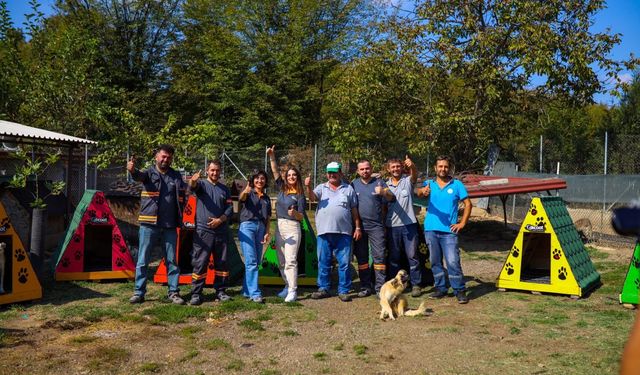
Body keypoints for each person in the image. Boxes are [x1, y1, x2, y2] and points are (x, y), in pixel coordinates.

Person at [127, 144, 187, 305]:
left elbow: (186, 191)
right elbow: (138, 176)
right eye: (163, 156)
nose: (165, 160)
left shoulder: (176, 176)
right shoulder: (148, 173)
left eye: (169, 157)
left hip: (170, 225)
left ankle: (173, 292)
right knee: (143, 259)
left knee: (172, 261)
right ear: (156, 157)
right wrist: (132, 170)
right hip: (149, 223)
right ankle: (139, 292)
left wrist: (193, 185)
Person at [305, 162, 362, 302]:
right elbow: (312, 198)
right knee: (323, 262)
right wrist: (307, 186)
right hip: (324, 232)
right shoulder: (321, 188)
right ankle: (323, 288)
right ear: (326, 174)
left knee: (344, 263)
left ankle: (343, 290)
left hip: (344, 233)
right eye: (329, 172)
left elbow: (354, 210)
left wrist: (358, 227)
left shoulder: (348, 189)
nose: (332, 175)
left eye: (335, 172)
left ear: (340, 173)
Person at [419, 155, 472, 304]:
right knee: (435, 261)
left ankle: (459, 290)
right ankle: (440, 288)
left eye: (446, 166)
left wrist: (462, 223)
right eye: (440, 166)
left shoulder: (456, 184)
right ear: (435, 168)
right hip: (430, 229)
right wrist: (422, 192)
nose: (443, 169)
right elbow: (418, 193)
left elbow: (468, 204)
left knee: (453, 261)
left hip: (449, 231)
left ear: (449, 168)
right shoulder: (429, 183)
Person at [187, 160, 234, 305]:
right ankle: (196, 294)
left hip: (221, 231)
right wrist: (193, 181)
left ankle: (221, 291)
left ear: (220, 172)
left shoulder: (224, 189)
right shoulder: (202, 185)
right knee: (200, 262)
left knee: (222, 262)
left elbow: (230, 209)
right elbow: (193, 186)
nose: (215, 173)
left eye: (217, 170)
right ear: (207, 171)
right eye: (212, 170)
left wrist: (220, 220)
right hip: (203, 231)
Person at [266, 146, 306, 302]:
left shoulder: (300, 195)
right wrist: (272, 156)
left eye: (294, 175)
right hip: (279, 227)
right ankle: (286, 286)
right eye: (289, 175)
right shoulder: (282, 188)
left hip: (293, 228)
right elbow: (275, 171)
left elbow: (302, 217)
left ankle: (293, 291)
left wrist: (294, 214)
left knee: (290, 260)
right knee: (282, 261)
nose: (291, 177)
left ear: (297, 177)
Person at [351, 160, 395, 297]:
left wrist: (383, 192)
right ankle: (365, 286)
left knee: (379, 257)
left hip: (376, 226)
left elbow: (392, 197)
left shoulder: (379, 183)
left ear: (371, 169)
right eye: (362, 169)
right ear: (358, 171)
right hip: (360, 227)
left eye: (367, 168)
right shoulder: (353, 185)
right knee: (362, 258)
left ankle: (380, 288)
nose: (365, 171)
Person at [385, 155, 423, 297]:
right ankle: (395, 285)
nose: (396, 169)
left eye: (398, 166)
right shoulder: (385, 185)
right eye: (393, 167)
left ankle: (416, 285)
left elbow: (415, 175)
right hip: (392, 226)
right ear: (388, 169)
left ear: (402, 168)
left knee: (412, 256)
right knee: (394, 257)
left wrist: (412, 165)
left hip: (409, 225)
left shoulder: (407, 181)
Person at [238, 170, 272, 303]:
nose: (260, 181)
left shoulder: (266, 198)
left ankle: (246, 290)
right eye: (257, 178)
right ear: (253, 180)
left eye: (262, 178)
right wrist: (246, 190)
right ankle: (255, 293)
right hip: (247, 227)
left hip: (261, 228)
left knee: (256, 262)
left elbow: (268, 217)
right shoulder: (248, 192)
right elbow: (242, 198)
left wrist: (267, 231)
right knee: (251, 261)